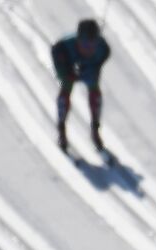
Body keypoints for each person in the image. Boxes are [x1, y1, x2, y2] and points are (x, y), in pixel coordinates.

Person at [51, 19, 111, 152]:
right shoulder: (62, 47)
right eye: (84, 43)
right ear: (78, 39)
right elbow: (57, 59)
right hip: (68, 66)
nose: (89, 49)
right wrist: (66, 71)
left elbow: (104, 55)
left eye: (92, 44)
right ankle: (61, 128)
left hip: (89, 68)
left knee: (95, 92)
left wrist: (94, 68)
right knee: (66, 89)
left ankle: (95, 128)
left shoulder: (102, 48)